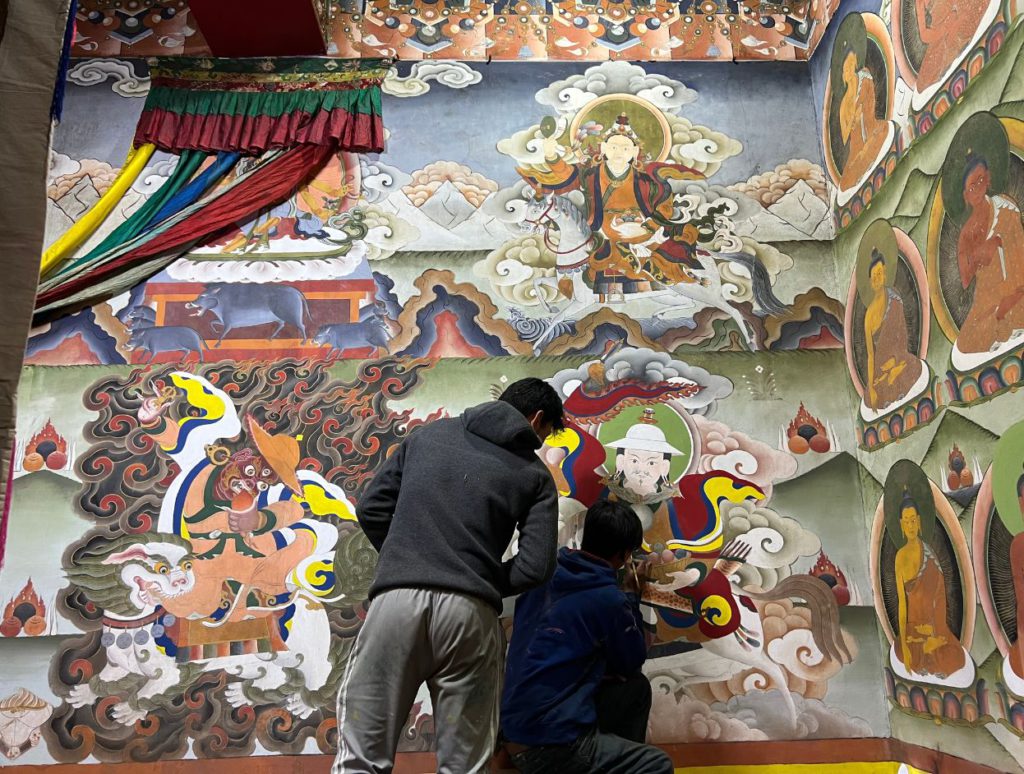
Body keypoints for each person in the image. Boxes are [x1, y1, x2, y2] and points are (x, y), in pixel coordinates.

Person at [334, 378, 564, 774]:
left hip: (396, 608)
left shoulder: (426, 438)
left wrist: (409, 557)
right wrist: (481, 579)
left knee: (361, 758)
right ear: (537, 418)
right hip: (471, 616)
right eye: (543, 433)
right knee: (465, 765)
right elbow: (535, 566)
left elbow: (372, 508)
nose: (538, 441)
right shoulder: (534, 474)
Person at [500, 500, 673, 774]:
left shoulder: (543, 577)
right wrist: (630, 596)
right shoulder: (608, 600)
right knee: (657, 764)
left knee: (634, 690)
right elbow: (631, 660)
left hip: (511, 728)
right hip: (550, 745)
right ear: (626, 555)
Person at [893, 492, 966, 679]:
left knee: (956, 656)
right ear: (901, 524)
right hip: (913, 627)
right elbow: (902, 603)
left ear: (918, 521)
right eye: (906, 521)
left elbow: (940, 596)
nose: (910, 526)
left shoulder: (928, 553)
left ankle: (931, 652)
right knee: (904, 650)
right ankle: (922, 653)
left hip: (934, 625)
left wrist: (936, 630)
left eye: (913, 520)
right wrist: (905, 640)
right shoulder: (900, 557)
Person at [862, 249, 923, 409]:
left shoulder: (894, 299)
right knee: (870, 396)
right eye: (874, 276)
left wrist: (895, 360)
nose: (877, 278)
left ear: (885, 274)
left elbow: (902, 335)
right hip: (881, 366)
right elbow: (870, 355)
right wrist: (873, 386)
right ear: (870, 281)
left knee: (913, 367)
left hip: (899, 357)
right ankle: (887, 380)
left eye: (879, 273)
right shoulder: (868, 316)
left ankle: (895, 372)